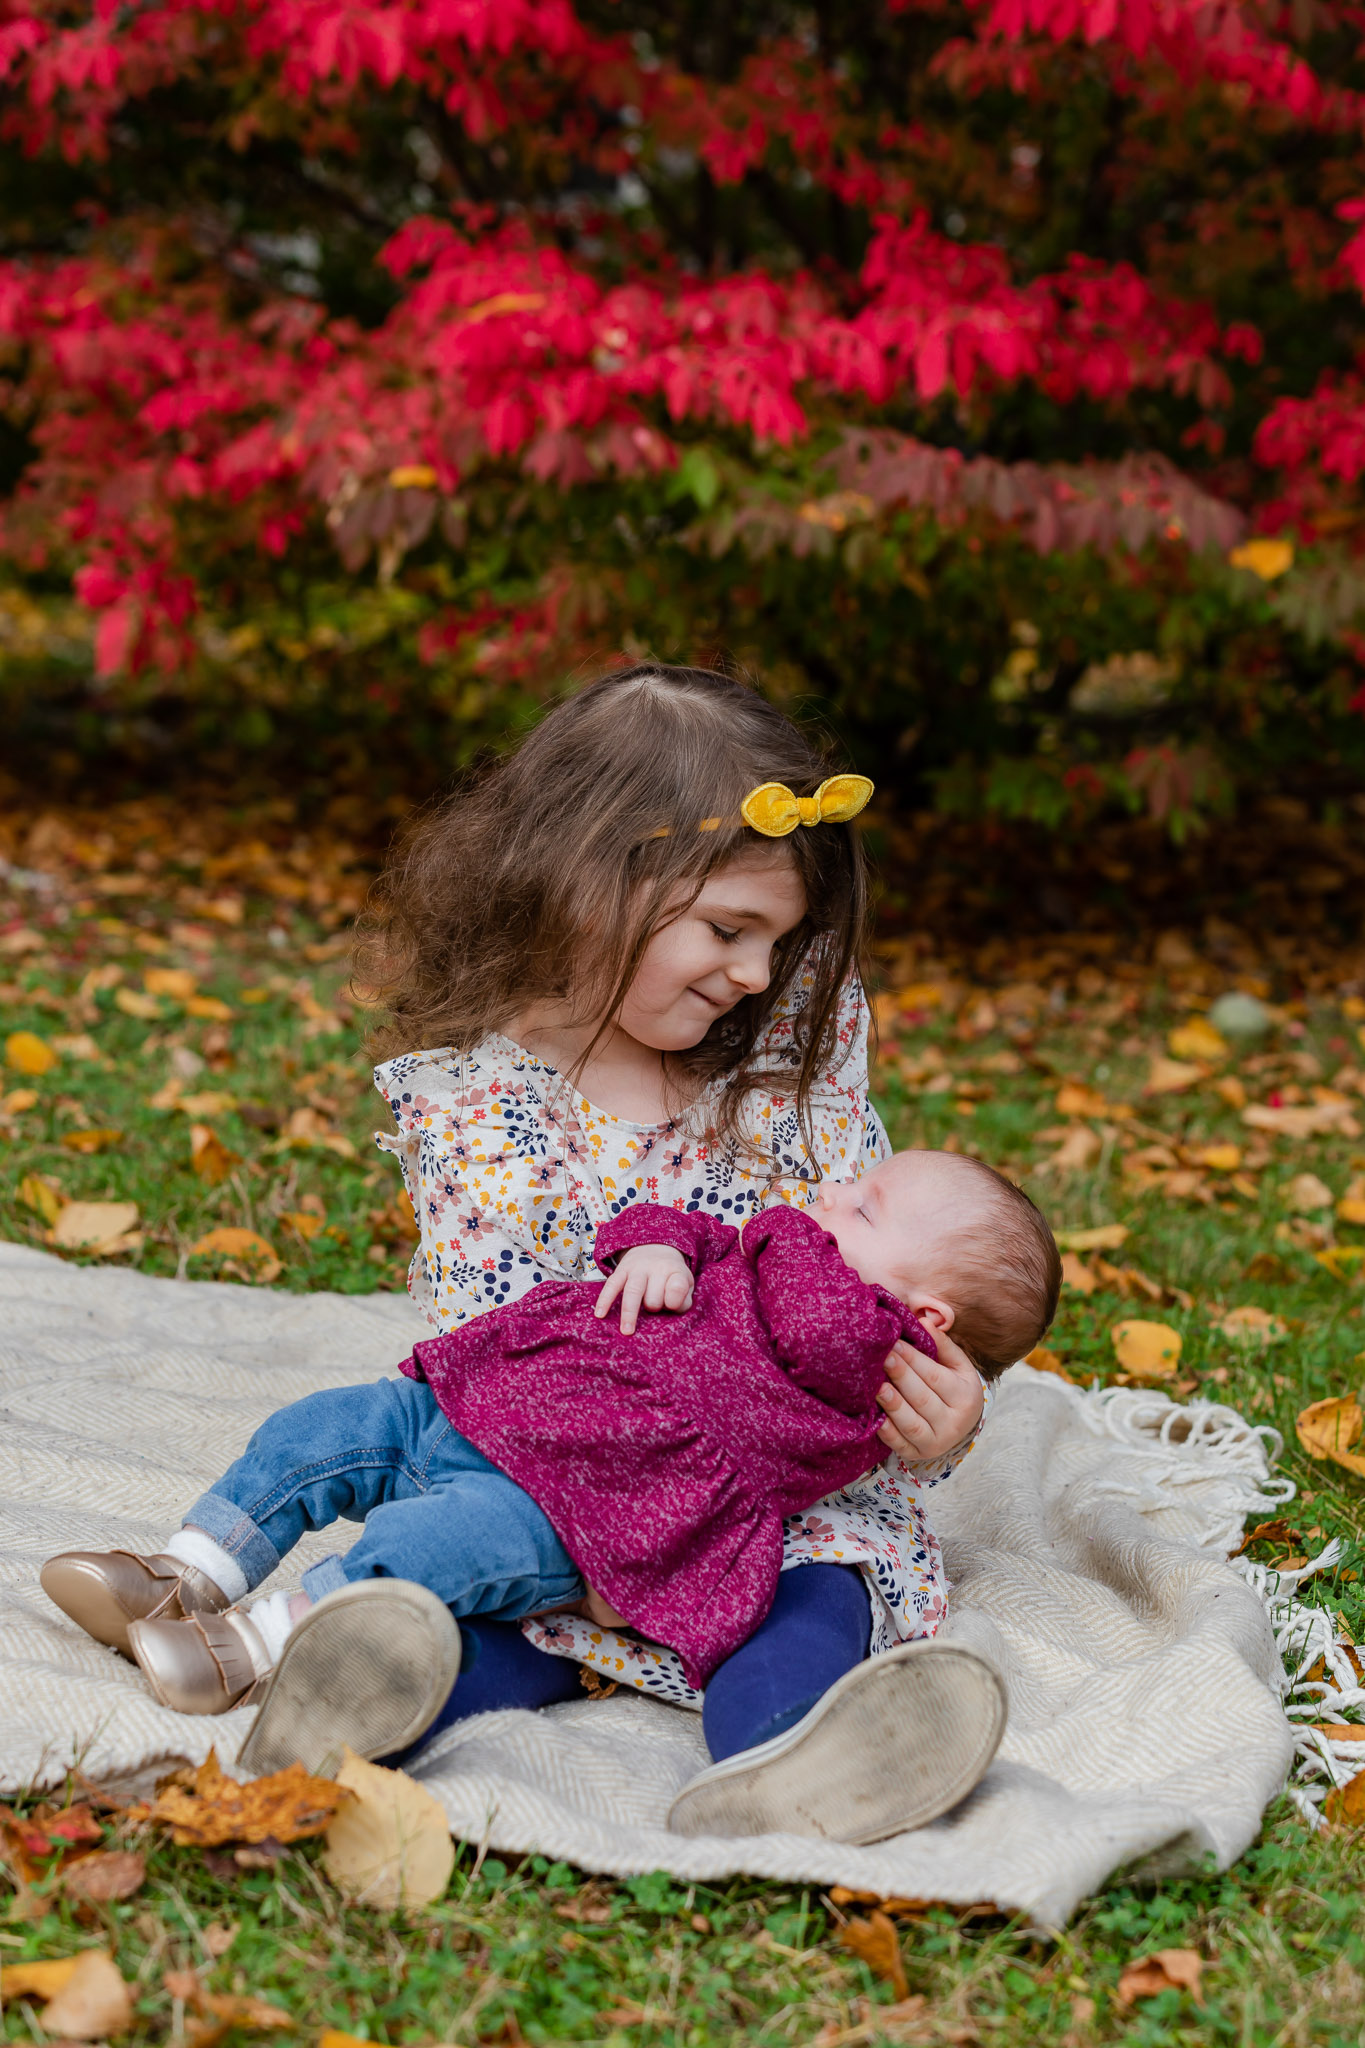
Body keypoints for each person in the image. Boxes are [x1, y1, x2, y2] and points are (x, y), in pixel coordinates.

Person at [40, 664, 1014, 1844]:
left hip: (763, 1489)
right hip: (554, 1470)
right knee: (473, 1584)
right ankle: (355, 1682)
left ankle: (797, 1750)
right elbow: (489, 1342)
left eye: (778, 939)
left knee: (826, 1583)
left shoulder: (786, 1072)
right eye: (727, 929)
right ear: (593, 886)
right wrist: (605, 1519)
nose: (757, 975)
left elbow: (891, 1294)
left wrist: (945, 1425)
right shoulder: (492, 1106)